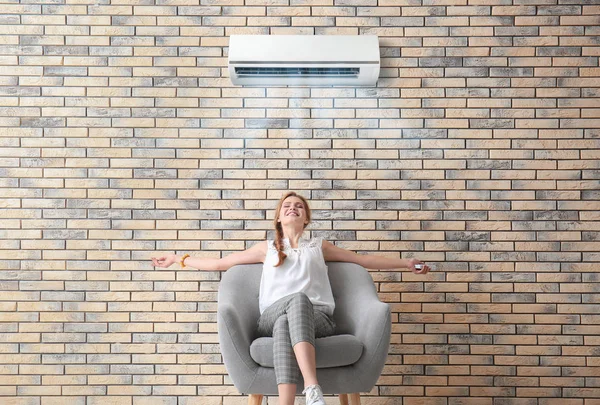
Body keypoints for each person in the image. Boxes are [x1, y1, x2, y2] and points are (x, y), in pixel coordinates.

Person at [151, 191, 431, 405]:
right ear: (278, 217)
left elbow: (362, 260)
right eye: (287, 206)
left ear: (306, 217)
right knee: (294, 301)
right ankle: (312, 387)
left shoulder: (318, 247)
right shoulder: (267, 248)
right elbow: (219, 264)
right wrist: (179, 259)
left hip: (319, 319)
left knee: (290, 319)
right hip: (268, 318)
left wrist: (405, 264)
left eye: (298, 206)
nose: (292, 208)